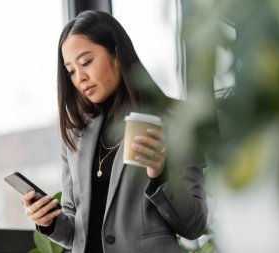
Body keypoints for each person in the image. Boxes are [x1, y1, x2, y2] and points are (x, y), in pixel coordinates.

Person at [22, 10, 208, 253]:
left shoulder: (176, 119)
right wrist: (47, 222)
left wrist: (160, 174)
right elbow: (76, 231)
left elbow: (195, 225)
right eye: (71, 71)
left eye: (86, 62)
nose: (80, 78)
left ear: (116, 54)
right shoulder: (77, 133)